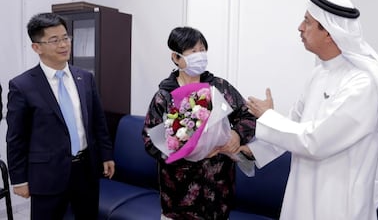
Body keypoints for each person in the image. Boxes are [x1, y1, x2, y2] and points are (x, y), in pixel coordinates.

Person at [239, 0, 378, 220]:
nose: (300, 28)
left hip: (339, 204)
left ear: (330, 32)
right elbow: (294, 124)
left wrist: (268, 116)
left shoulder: (365, 83)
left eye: (307, 21)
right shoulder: (319, 74)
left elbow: (315, 140)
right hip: (302, 195)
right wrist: (250, 151)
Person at [6, 12, 115, 220]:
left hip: (85, 169)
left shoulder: (85, 77)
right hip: (47, 174)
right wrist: (18, 179)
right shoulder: (22, 85)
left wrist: (107, 154)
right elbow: (16, 138)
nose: (63, 45)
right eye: (54, 40)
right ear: (36, 47)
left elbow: (98, 122)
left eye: (66, 37)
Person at [142, 26, 256, 219]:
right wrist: (183, 151)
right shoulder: (164, 96)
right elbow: (149, 139)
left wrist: (236, 135)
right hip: (178, 197)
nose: (200, 55)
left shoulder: (219, 87)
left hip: (217, 193)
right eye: (193, 51)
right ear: (176, 58)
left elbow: (248, 116)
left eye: (202, 50)